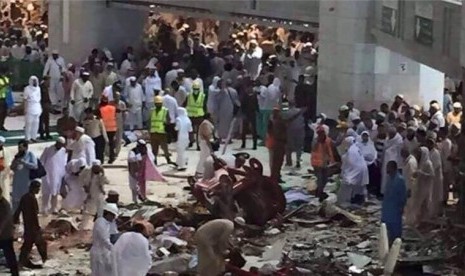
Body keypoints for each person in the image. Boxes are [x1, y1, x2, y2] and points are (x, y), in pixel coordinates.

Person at [14, 180, 47, 269]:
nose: (39, 190)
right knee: (39, 243)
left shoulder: (25, 197)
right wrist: (37, 227)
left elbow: (18, 210)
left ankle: (22, 262)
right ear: (33, 188)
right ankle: (43, 259)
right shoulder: (32, 198)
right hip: (32, 226)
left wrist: (15, 220)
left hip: (27, 225)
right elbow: (34, 215)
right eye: (38, 188)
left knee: (28, 245)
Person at [338, 136, 369, 206]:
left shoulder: (350, 151)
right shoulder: (356, 147)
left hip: (356, 170)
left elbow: (347, 164)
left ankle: (344, 203)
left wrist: (343, 174)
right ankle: (360, 200)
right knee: (360, 186)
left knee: (346, 185)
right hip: (363, 169)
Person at [40, 137, 67, 215]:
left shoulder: (63, 151)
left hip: (58, 175)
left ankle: (54, 208)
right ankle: (44, 208)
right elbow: (42, 160)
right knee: (46, 192)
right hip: (47, 174)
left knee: (55, 192)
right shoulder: (48, 149)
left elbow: (63, 162)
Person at [381, 161, 407, 245]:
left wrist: (402, 207)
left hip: (395, 208)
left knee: (395, 228)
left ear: (394, 168)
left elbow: (403, 195)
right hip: (387, 207)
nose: (387, 170)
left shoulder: (400, 179)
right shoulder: (389, 178)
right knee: (386, 228)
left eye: (389, 168)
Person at [90, 203, 118, 276]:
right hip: (98, 253)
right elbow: (104, 240)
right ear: (108, 214)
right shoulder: (100, 223)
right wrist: (114, 249)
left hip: (104, 252)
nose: (113, 218)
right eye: (113, 216)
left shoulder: (106, 223)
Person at [81, 160, 109, 230]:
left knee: (100, 210)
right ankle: (84, 226)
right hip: (90, 193)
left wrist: (103, 174)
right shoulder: (87, 172)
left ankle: (99, 226)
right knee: (87, 210)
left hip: (99, 194)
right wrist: (84, 187)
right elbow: (81, 180)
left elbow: (107, 181)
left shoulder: (100, 175)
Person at [11, 140, 38, 211]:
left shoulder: (30, 154)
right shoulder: (17, 156)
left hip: (26, 182)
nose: (19, 149)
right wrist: (16, 163)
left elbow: (35, 166)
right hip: (17, 182)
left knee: (26, 200)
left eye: (20, 147)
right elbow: (12, 167)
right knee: (16, 200)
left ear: (25, 148)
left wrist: (25, 163)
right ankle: (15, 218)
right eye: (18, 147)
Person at [412, 147, 435, 225]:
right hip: (420, 185)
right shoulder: (420, 162)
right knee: (419, 204)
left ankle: (426, 221)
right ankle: (420, 221)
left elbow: (432, 175)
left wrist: (421, 173)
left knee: (425, 203)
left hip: (426, 186)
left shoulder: (428, 163)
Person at [0, 186, 19, 275]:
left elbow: (4, 220)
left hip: (5, 235)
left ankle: (15, 272)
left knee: (9, 255)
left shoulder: (4, 205)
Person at [149, 95, 173, 165]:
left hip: (162, 132)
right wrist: (149, 131)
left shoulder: (165, 110)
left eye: (159, 103)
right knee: (154, 148)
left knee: (164, 147)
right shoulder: (152, 111)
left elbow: (169, 120)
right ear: (155, 104)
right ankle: (154, 160)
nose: (158, 105)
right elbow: (149, 121)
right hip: (153, 132)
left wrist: (167, 125)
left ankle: (168, 159)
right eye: (157, 103)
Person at [259, 76, 281, 143]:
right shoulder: (277, 89)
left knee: (265, 125)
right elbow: (278, 99)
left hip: (266, 108)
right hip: (273, 109)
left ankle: (264, 140)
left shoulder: (269, 87)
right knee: (273, 125)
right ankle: (272, 140)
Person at [357, 131, 378, 197]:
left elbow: (374, 153)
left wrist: (372, 158)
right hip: (362, 164)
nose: (365, 137)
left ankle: (370, 191)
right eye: (364, 136)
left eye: (366, 136)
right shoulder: (358, 144)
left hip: (370, 164)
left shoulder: (371, 144)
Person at [381, 127, 403, 194]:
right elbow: (385, 149)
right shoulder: (387, 139)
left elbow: (397, 153)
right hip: (385, 161)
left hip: (393, 162)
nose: (390, 136)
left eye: (391, 134)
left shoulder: (399, 140)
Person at [426, 133, 444, 217]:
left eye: (431, 143)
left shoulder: (436, 153)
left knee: (436, 196)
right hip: (429, 177)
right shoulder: (427, 152)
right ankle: (430, 214)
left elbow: (435, 166)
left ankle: (435, 214)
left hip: (435, 177)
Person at [284, 103, 305, 168]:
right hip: (300, 130)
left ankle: (288, 162)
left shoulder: (287, 113)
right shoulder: (300, 111)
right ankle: (298, 161)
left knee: (288, 147)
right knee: (299, 147)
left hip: (290, 131)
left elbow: (285, 122)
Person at [400, 146, 418, 226]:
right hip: (406, 185)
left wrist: (410, 189)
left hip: (410, 186)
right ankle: (408, 221)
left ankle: (410, 222)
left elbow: (412, 177)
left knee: (410, 204)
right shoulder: (407, 160)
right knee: (407, 205)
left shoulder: (411, 162)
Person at [240, 78, 259, 150]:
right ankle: (245, 143)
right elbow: (243, 104)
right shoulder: (247, 95)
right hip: (248, 113)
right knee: (246, 129)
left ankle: (253, 145)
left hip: (250, 113)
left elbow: (256, 104)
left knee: (252, 129)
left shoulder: (250, 94)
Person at [186, 81, 205, 149]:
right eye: (194, 89)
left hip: (199, 115)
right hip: (190, 114)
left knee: (199, 131)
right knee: (190, 130)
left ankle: (198, 144)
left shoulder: (202, 96)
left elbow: (204, 105)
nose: (195, 91)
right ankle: (191, 141)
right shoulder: (189, 95)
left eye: (197, 89)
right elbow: (185, 103)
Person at [196, 113, 215, 178]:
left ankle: (202, 171)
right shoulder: (205, 124)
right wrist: (210, 145)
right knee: (204, 157)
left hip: (206, 142)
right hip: (205, 143)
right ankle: (199, 171)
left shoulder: (207, 123)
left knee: (205, 157)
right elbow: (206, 135)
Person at [24, 76, 42, 142]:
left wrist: (40, 108)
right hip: (30, 106)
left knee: (36, 123)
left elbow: (39, 99)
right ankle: (27, 138)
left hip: (37, 107)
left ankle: (34, 137)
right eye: (33, 80)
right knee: (28, 123)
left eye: (35, 80)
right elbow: (25, 99)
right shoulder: (27, 88)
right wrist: (25, 109)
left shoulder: (38, 88)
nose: (34, 82)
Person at [100, 95, 117, 164]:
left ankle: (102, 158)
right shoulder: (113, 108)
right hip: (113, 128)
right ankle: (111, 158)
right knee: (111, 144)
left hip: (104, 129)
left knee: (103, 144)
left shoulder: (101, 109)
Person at [114, 92, 126, 156]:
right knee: (113, 138)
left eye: (118, 96)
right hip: (112, 124)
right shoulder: (111, 103)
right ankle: (112, 151)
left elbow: (124, 114)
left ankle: (117, 152)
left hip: (119, 123)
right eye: (116, 96)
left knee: (119, 138)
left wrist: (124, 122)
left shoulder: (122, 104)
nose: (117, 98)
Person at [0, 136, 11, 204]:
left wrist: (6, 172)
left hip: (3, 175)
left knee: (4, 192)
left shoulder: (6, 151)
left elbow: (8, 164)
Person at [0, 67, 10, 131]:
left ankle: (1, 125)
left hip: (4, 98)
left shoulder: (6, 79)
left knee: (4, 113)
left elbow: (7, 88)